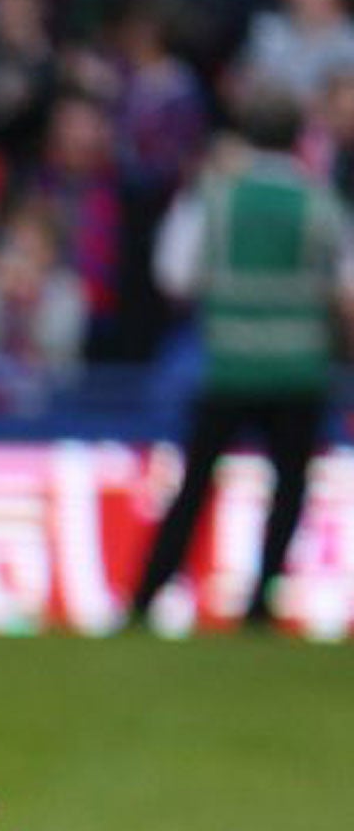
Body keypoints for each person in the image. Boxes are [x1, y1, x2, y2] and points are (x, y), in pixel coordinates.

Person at [132, 82, 354, 628]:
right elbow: (347, 283)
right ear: (298, 137)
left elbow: (174, 273)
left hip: (227, 362)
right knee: (289, 488)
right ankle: (259, 603)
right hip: (300, 367)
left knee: (196, 485)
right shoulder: (320, 201)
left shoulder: (214, 195)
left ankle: (147, 595)